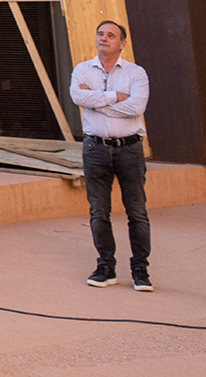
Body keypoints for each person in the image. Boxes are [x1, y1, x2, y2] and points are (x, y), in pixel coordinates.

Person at [70, 20, 152, 291]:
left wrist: (97, 102)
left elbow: (137, 106)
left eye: (111, 35)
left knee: (137, 212)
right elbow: (77, 97)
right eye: (100, 34)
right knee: (98, 212)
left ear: (122, 43)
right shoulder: (82, 69)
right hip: (95, 149)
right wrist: (115, 96)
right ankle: (106, 267)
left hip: (129, 149)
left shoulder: (136, 73)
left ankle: (140, 270)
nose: (104, 38)